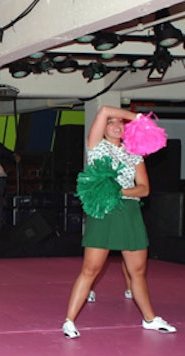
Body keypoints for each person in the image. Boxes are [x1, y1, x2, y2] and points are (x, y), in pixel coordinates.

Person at [62, 105, 176, 338]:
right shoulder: (95, 147)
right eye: (111, 122)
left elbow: (144, 189)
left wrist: (119, 192)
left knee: (138, 271)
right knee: (90, 269)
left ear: (126, 130)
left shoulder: (134, 153)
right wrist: (138, 118)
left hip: (129, 213)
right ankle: (69, 321)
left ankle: (150, 319)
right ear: (103, 127)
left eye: (120, 123)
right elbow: (103, 109)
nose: (115, 125)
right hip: (103, 212)